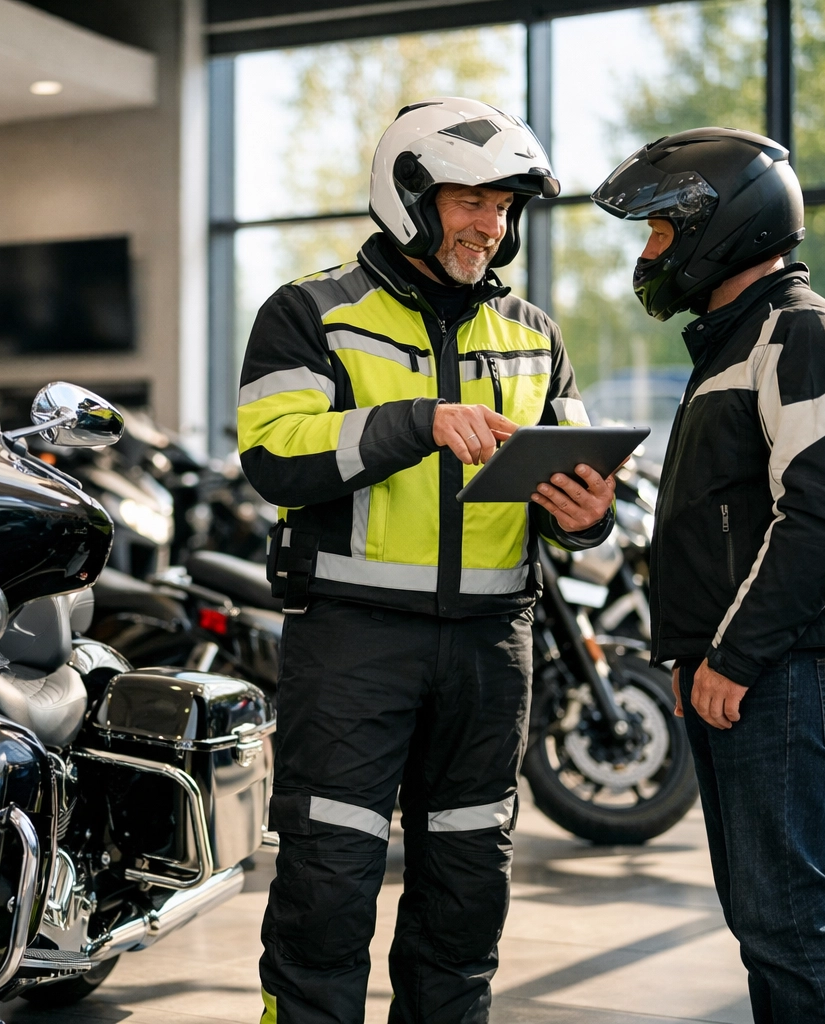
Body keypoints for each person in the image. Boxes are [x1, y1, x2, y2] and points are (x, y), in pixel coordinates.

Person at [237, 97, 615, 1024]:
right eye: (471, 201)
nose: (491, 226)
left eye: (504, 207)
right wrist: (417, 422)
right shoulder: (309, 312)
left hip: (492, 647)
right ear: (409, 195)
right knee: (327, 886)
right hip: (353, 643)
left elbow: (570, 479)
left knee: (466, 893)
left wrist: (588, 518)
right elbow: (275, 453)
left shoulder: (535, 334)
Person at [594, 128, 825, 1024]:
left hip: (788, 665)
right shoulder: (737, 342)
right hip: (752, 666)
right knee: (766, 920)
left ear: (719, 226)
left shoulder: (803, 335)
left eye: (661, 230)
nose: (651, 252)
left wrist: (733, 657)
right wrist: (695, 656)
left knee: (792, 921)